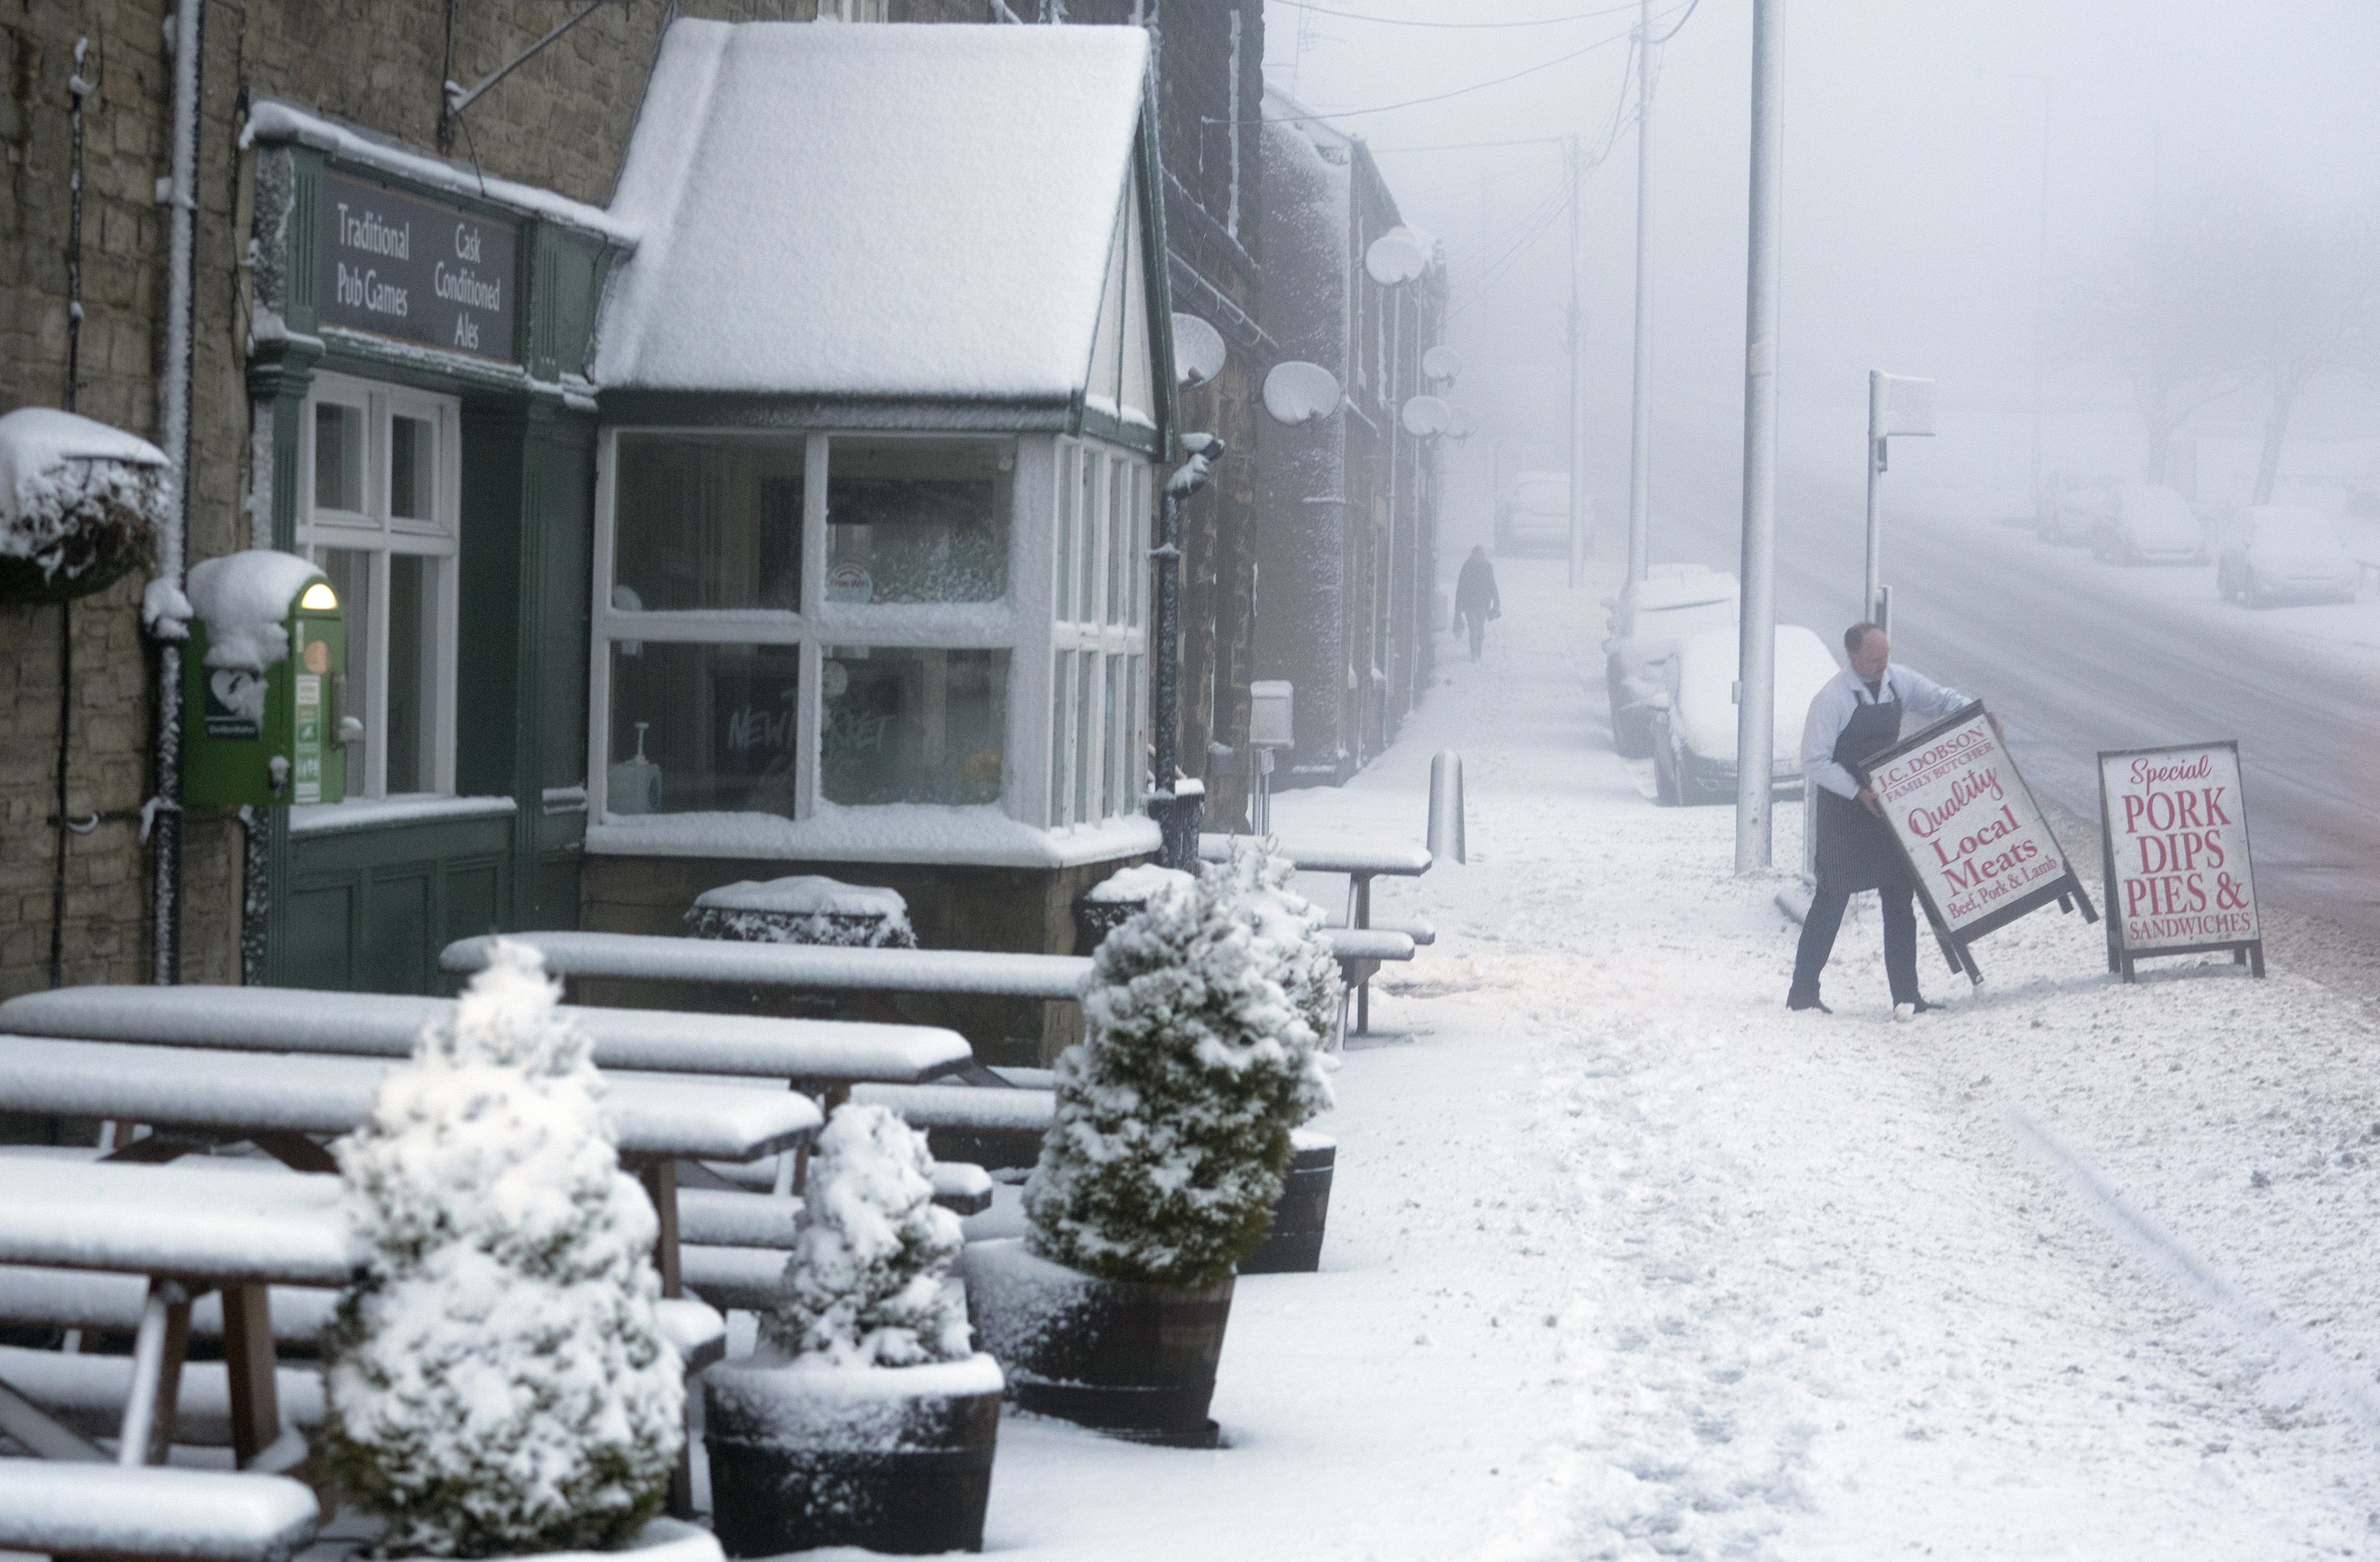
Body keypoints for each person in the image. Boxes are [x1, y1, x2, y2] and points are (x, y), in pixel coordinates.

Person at [1787, 621, 1981, 1020]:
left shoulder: (1897, 681)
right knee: (1832, 899)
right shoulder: (1833, 699)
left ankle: (1907, 996)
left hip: (1887, 810)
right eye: (1874, 659)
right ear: (1853, 657)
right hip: (1844, 811)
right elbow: (1814, 760)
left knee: (1899, 897)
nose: (1882, 664)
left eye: (1886, 656)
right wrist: (1857, 791)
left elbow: (1942, 702)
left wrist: (1978, 717)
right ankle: (1803, 992)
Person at [1454, 545, 1501, 661]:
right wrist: (1496, 604)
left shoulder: (1467, 566)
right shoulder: (1487, 567)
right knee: (1479, 628)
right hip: (1483, 603)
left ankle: (1475, 652)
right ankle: (1477, 651)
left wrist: (1458, 609)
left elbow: (1460, 588)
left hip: (1470, 603)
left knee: (1474, 629)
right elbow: (1492, 586)